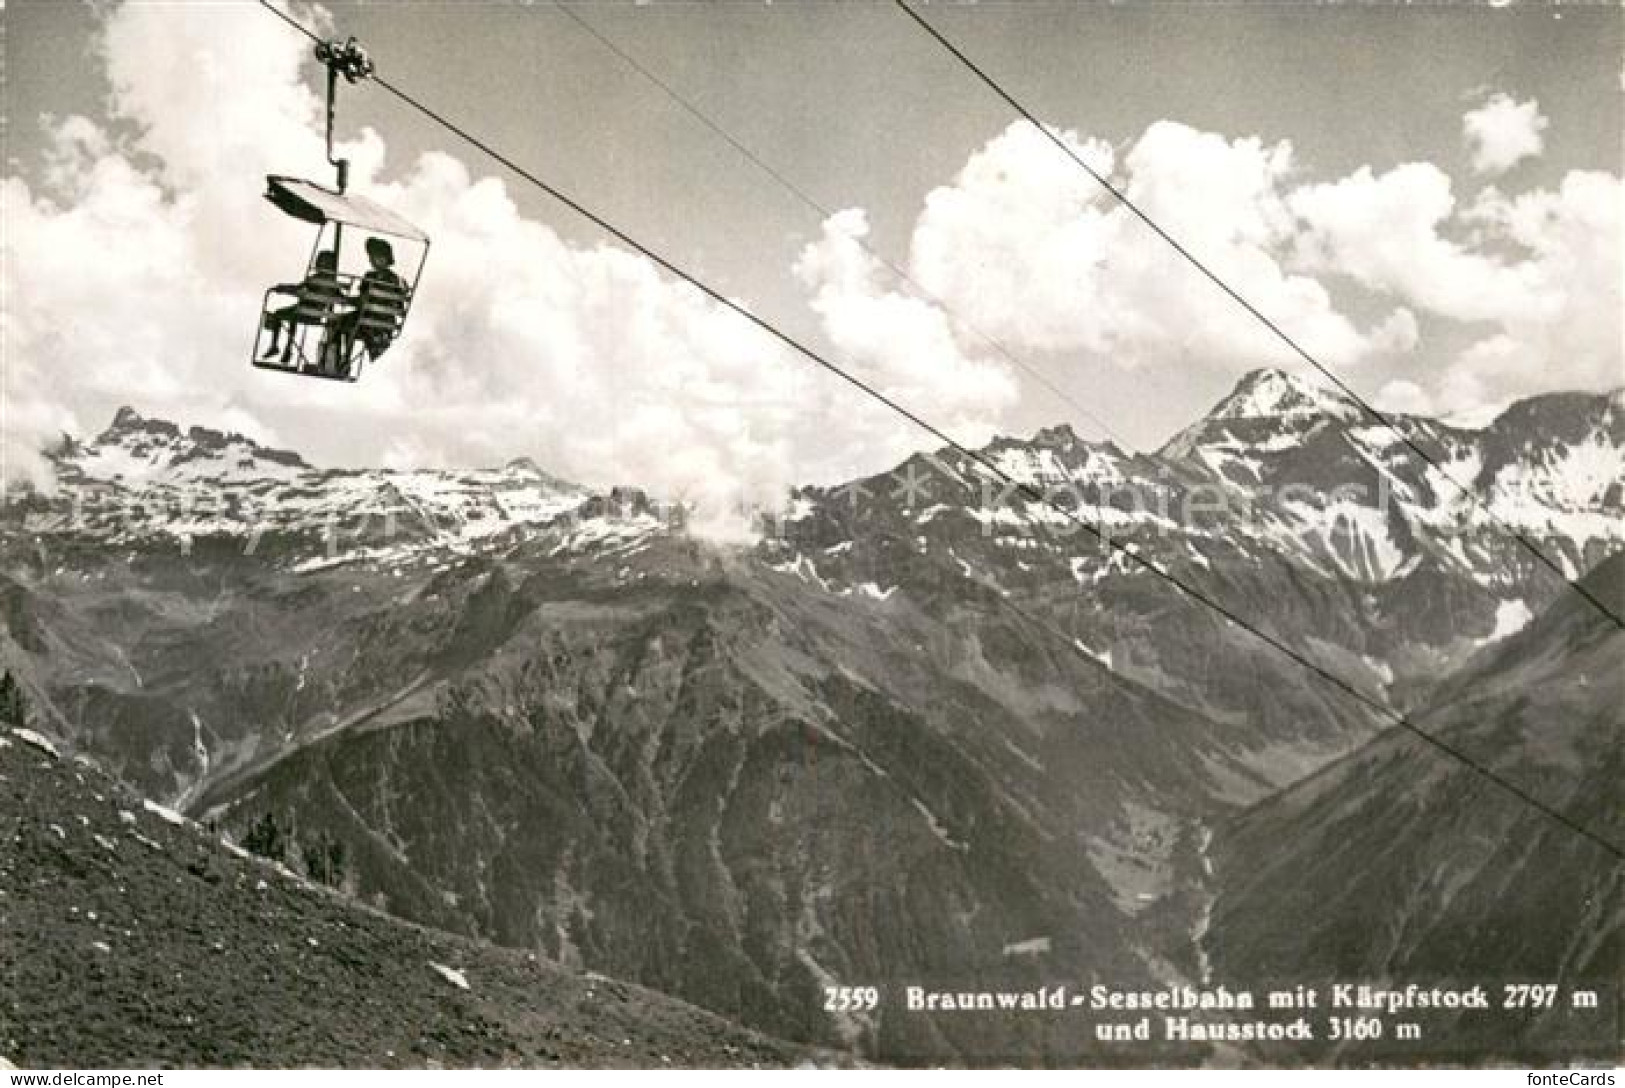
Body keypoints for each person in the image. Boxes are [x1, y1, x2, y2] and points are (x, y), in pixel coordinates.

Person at [334, 236, 410, 365]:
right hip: (385, 327)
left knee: (338, 321)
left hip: (367, 323)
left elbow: (361, 302)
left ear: (386, 258)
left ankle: (342, 359)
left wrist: (344, 299)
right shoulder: (396, 280)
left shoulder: (370, 277)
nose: (373, 259)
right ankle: (343, 360)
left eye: (376, 256)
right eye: (372, 256)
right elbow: (399, 307)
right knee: (348, 321)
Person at [261, 251, 342, 364]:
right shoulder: (335, 284)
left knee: (278, 313)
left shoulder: (314, 279)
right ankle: (288, 350)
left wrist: (282, 288)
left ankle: (275, 346)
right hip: (316, 316)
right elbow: (342, 299)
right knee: (292, 316)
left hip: (303, 312)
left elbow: (297, 288)